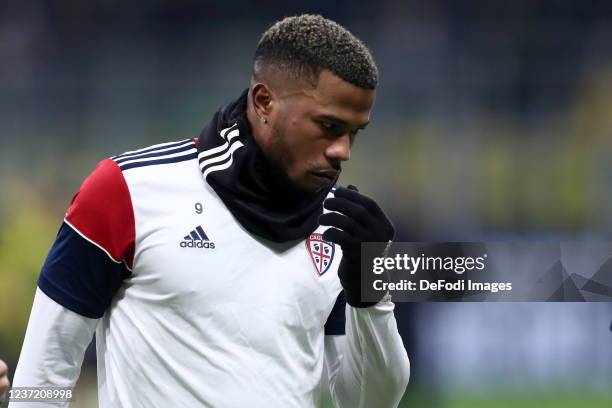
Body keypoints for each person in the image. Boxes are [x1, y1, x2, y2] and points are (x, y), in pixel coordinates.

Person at [12, 14, 410, 408]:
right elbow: (42, 376)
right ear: (264, 101)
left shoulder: (340, 228)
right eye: (328, 126)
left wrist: (370, 289)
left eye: (354, 132)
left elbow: (367, 402)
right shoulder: (125, 190)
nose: (343, 151)